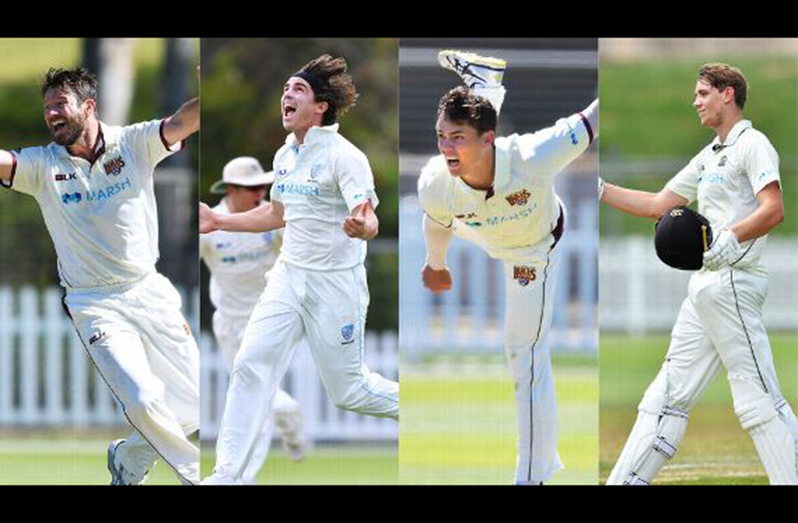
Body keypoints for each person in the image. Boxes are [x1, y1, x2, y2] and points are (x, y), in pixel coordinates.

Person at [199, 55, 399, 485]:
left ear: (321, 106)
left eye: (298, 90)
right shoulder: (285, 155)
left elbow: (369, 218)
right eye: (285, 89)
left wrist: (362, 226)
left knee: (349, 392)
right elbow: (275, 215)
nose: (286, 96)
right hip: (288, 278)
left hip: (335, 285)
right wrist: (218, 221)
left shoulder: (345, 157)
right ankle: (226, 475)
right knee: (249, 365)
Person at [0, 67, 200, 484]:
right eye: (47, 107)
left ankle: (128, 459)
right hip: (95, 304)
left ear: (88, 107)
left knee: (194, 409)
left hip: (149, 290)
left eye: (61, 104)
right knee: (144, 399)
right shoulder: (41, 165)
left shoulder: (133, 142)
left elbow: (184, 121)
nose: (52, 113)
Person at [600, 63, 798, 485]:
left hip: (735, 281)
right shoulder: (709, 155)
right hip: (704, 289)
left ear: (728, 94)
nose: (695, 102)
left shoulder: (753, 144)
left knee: (757, 401)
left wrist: (732, 235)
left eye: (703, 93)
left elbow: (773, 209)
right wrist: (599, 189)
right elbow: (659, 204)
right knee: (664, 400)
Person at [419, 50, 598, 484]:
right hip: (474, 227)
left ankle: (531, 476)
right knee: (449, 198)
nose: (446, 147)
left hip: (531, 249)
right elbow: (436, 221)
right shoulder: (436, 181)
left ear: (488, 138)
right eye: (442, 135)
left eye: (457, 137)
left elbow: (592, 120)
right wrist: (436, 264)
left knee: (526, 357)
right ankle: (485, 88)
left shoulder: (534, 155)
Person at [200, 156, 306, 484]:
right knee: (263, 401)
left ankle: (241, 477)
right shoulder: (209, 228)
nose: (261, 192)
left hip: (270, 321)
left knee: (256, 402)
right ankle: (291, 422)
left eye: (263, 185)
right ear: (231, 189)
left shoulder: (271, 222)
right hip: (231, 326)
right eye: (252, 188)